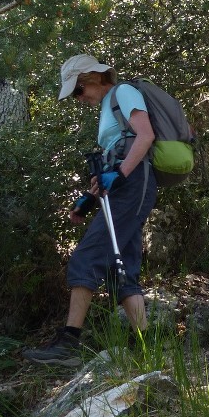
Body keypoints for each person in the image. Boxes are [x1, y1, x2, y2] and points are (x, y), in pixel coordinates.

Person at [23, 55, 158, 368]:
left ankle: (68, 342)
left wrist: (120, 174)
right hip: (124, 187)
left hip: (134, 184)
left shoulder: (123, 92)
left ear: (94, 78)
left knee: (87, 256)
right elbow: (116, 158)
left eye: (78, 90)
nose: (78, 98)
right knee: (121, 269)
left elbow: (146, 135)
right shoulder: (108, 105)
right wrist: (89, 197)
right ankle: (148, 349)